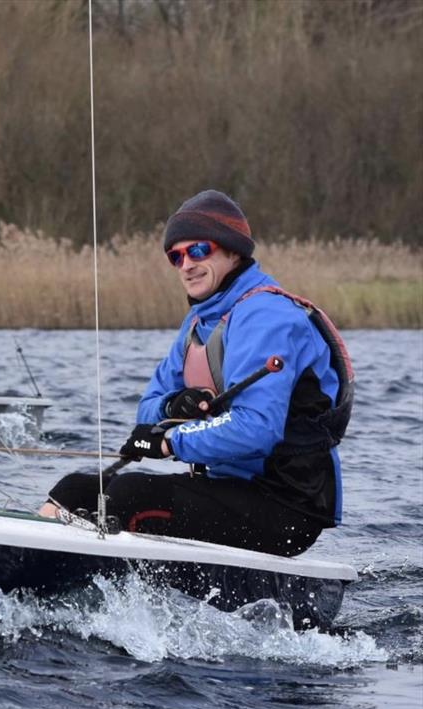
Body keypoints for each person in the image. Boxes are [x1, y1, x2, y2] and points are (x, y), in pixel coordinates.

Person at [39, 189, 353, 557]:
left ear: (233, 251)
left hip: (287, 505)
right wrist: (175, 404)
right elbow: (147, 410)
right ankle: (24, 572)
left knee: (127, 496)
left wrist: (172, 441)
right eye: (176, 256)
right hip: (227, 489)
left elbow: (256, 428)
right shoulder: (199, 321)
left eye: (198, 250)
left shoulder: (267, 316)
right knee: (75, 488)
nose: (186, 264)